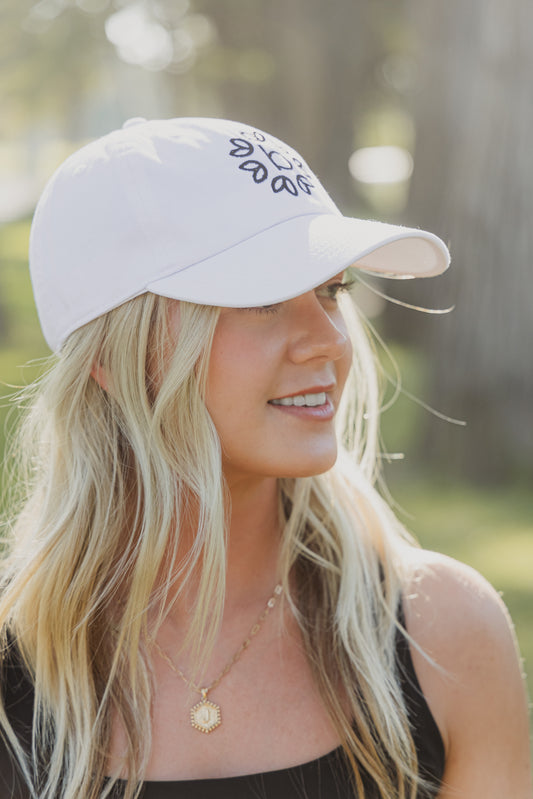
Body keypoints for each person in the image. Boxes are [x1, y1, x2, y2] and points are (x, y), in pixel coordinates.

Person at [0, 117, 530, 799]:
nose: (328, 341)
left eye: (331, 290)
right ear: (112, 356)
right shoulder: (15, 662)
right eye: (262, 298)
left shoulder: (443, 633)